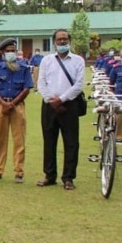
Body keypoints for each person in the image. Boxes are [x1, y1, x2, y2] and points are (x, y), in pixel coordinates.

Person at [37, 29, 85, 190]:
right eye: (59, 39)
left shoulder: (78, 60)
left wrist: (62, 99)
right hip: (49, 105)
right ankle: (49, 176)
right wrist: (51, 100)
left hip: (69, 105)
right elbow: (41, 83)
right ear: (54, 42)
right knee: (49, 141)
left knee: (71, 143)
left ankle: (68, 178)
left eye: (65, 39)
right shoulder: (46, 60)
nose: (62, 42)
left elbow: (79, 85)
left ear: (69, 41)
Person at [0, 38, 34, 183]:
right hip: (1, 106)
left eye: (13, 51)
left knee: (19, 140)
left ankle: (19, 172)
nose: (11, 53)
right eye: (8, 51)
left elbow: (27, 88)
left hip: (17, 106)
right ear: (2, 52)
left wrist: (12, 103)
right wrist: (3, 103)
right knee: (0, 139)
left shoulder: (24, 68)